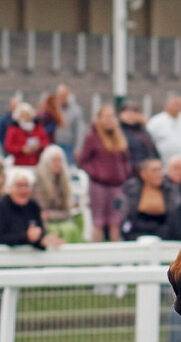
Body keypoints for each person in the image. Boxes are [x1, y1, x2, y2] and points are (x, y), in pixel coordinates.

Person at [78, 105, 132, 242]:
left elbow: (125, 159)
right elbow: (83, 161)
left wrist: (124, 173)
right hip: (99, 185)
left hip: (117, 185)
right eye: (106, 116)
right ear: (99, 119)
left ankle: (116, 255)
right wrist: (97, 172)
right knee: (98, 222)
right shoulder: (92, 137)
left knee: (115, 221)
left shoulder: (119, 137)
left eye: (112, 116)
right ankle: (97, 254)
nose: (110, 120)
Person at [0, 169, 65, 249]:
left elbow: (39, 235)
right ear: (9, 188)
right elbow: (2, 237)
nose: (24, 190)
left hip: (31, 259)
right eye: (19, 186)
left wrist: (44, 241)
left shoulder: (33, 206)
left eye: (27, 186)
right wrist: (26, 237)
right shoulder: (2, 206)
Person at [32, 144, 83, 243]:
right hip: (43, 222)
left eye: (59, 161)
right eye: (54, 161)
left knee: (72, 228)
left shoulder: (64, 182)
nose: (57, 164)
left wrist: (51, 215)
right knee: (56, 230)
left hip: (60, 218)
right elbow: (41, 211)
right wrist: (50, 215)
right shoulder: (39, 181)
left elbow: (66, 211)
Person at [121, 158, 181, 241]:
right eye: (154, 170)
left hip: (165, 234)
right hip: (137, 233)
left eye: (160, 170)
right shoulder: (132, 191)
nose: (159, 174)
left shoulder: (170, 191)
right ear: (143, 174)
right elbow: (126, 216)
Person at [146, 92, 181, 164]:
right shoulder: (155, 122)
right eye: (175, 104)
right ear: (166, 104)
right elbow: (150, 144)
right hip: (164, 164)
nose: (178, 107)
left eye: (180, 104)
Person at [119, 100, 160, 175]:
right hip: (131, 173)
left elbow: (154, 152)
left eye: (134, 112)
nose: (131, 115)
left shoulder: (143, 132)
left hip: (148, 173)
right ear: (121, 114)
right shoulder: (119, 132)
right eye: (128, 112)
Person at [4, 101, 50, 166]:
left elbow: (46, 142)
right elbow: (8, 146)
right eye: (23, 115)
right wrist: (21, 149)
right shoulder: (13, 129)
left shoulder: (38, 128)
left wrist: (39, 146)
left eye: (27, 115)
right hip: (20, 163)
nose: (26, 117)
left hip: (36, 162)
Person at [53, 84, 86, 165]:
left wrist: (78, 147)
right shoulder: (53, 109)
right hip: (54, 145)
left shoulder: (76, 110)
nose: (61, 97)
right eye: (60, 95)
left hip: (69, 146)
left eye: (63, 95)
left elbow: (79, 130)